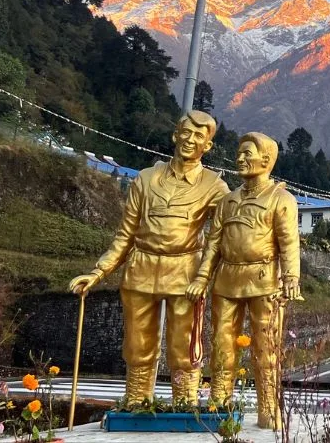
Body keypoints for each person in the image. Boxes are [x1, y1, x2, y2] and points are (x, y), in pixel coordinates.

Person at [68, 111, 229, 405]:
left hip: (186, 271)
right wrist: (98, 272)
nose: (190, 140)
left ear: (207, 146)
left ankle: (185, 404)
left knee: (184, 347)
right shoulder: (145, 179)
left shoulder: (214, 187)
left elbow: (224, 236)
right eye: (185, 132)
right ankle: (136, 403)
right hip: (141, 268)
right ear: (175, 135)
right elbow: (125, 235)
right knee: (137, 345)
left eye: (198, 136)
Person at [187, 132, 300, 429]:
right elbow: (213, 242)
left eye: (247, 154)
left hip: (264, 280)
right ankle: (220, 406)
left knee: (266, 348)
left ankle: (268, 409)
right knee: (222, 345)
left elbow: (288, 243)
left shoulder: (281, 199)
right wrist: (202, 276)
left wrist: (291, 277)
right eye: (239, 154)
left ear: (266, 160)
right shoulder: (227, 201)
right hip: (226, 279)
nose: (240, 159)